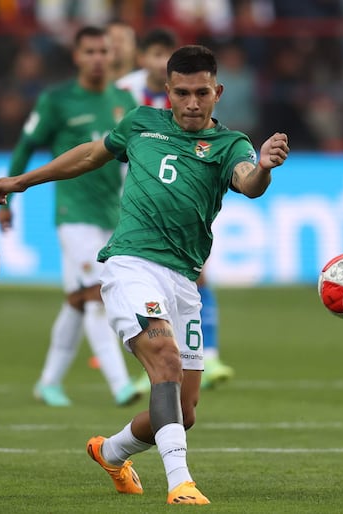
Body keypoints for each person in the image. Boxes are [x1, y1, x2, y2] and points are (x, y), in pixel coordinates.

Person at [0, 44, 289, 505]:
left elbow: (248, 182)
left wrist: (264, 168)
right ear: (166, 91)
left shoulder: (231, 145)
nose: (192, 103)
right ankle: (180, 482)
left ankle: (110, 452)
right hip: (131, 265)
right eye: (182, 92)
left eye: (202, 93)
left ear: (218, 92)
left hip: (184, 280)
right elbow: (90, 155)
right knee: (164, 361)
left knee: (184, 411)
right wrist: (21, 181)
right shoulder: (141, 125)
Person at [0, 25, 140, 408]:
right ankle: (120, 385)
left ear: (112, 56)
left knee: (78, 298)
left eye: (103, 51)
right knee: (96, 295)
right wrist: (9, 197)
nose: (97, 58)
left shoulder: (124, 100)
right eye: (89, 51)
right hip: (73, 213)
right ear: (77, 56)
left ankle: (48, 382)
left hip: (113, 212)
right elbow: (27, 145)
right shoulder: (57, 100)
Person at [118, 28, 235, 390]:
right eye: (152, 53)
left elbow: (247, 178)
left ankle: (206, 356)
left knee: (196, 274)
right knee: (131, 287)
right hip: (133, 194)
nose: (191, 100)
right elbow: (102, 144)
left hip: (179, 195)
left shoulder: (218, 135)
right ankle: (151, 366)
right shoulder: (126, 95)